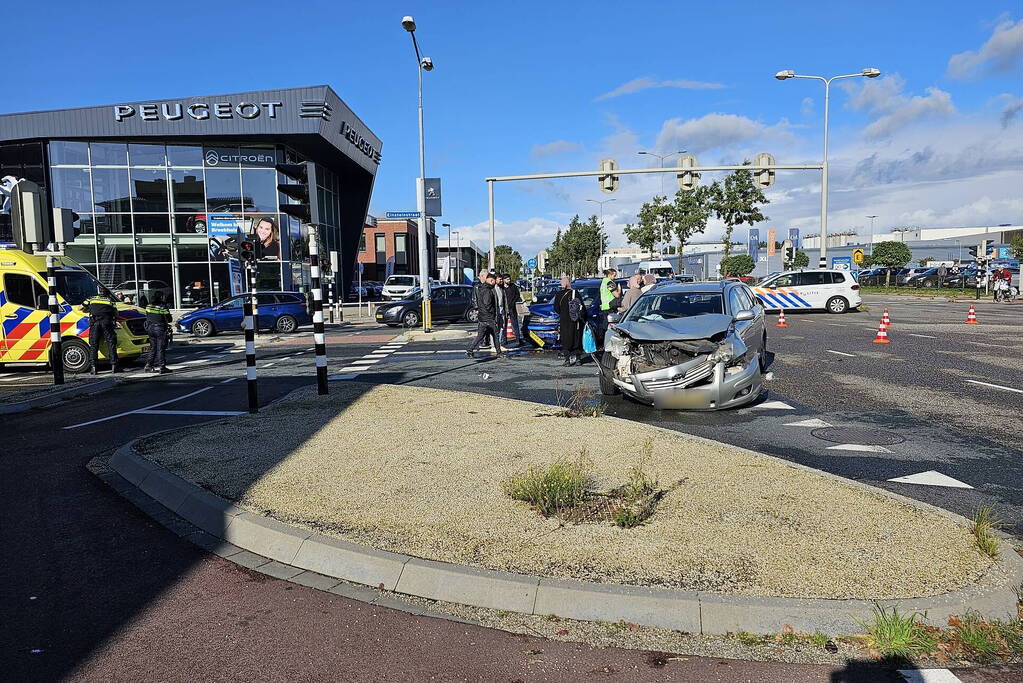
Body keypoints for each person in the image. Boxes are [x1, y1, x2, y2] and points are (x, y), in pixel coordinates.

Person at [81, 289, 120, 374]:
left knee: (94, 345)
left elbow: (81, 308)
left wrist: (89, 310)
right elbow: (117, 314)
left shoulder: (91, 299)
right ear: (107, 295)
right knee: (111, 343)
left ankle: (93, 368)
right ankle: (114, 366)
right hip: (106, 323)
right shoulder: (110, 301)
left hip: (94, 323)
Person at [466, 271, 501, 358]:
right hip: (488, 317)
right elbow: (487, 303)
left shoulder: (481, 288)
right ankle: (499, 353)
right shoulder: (487, 290)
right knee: (495, 335)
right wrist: (492, 314)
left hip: (482, 316)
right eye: (494, 281)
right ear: (491, 280)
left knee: (480, 335)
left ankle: (470, 350)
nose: (494, 283)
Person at [554, 277, 584, 366]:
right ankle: (578, 358)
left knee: (566, 339)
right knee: (576, 338)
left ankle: (567, 359)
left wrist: (563, 313)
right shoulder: (576, 293)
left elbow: (556, 308)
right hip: (575, 320)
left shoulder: (559, 294)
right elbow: (581, 307)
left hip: (564, 320)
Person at [143, 291, 173, 373]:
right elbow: (169, 319)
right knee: (160, 348)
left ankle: (149, 365)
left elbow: (148, 316)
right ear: (161, 297)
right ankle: (162, 367)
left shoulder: (148, 306)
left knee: (153, 348)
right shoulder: (162, 306)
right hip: (159, 329)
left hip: (150, 328)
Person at [597, 268, 620, 343]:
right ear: (610, 274)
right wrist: (619, 289)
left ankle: (604, 342)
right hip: (610, 307)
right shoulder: (609, 283)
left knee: (605, 326)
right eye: (614, 275)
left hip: (604, 307)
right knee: (611, 327)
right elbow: (616, 295)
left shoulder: (603, 282)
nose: (615, 277)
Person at [502, 274, 523, 347]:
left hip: (512, 308)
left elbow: (517, 295)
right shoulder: (501, 287)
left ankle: (518, 339)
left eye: (509, 279)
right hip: (504, 309)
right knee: (504, 325)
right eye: (507, 279)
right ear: (504, 280)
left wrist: (513, 302)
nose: (509, 280)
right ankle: (504, 340)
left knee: (515, 324)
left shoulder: (513, 286)